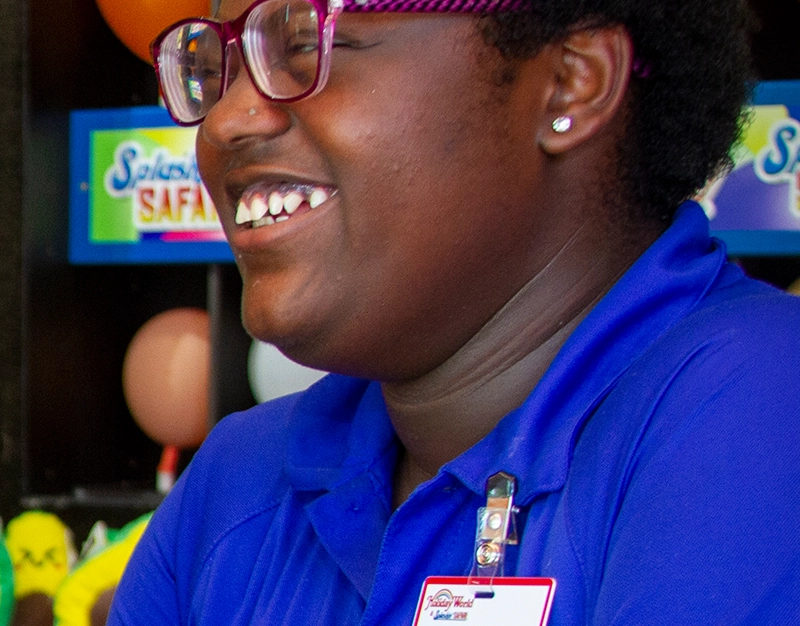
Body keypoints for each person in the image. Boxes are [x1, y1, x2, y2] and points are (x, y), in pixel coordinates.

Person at [113, 0, 799, 623]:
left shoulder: (759, 407)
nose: (227, 119)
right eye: (219, 63)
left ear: (570, 82)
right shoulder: (238, 484)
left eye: (302, 41)